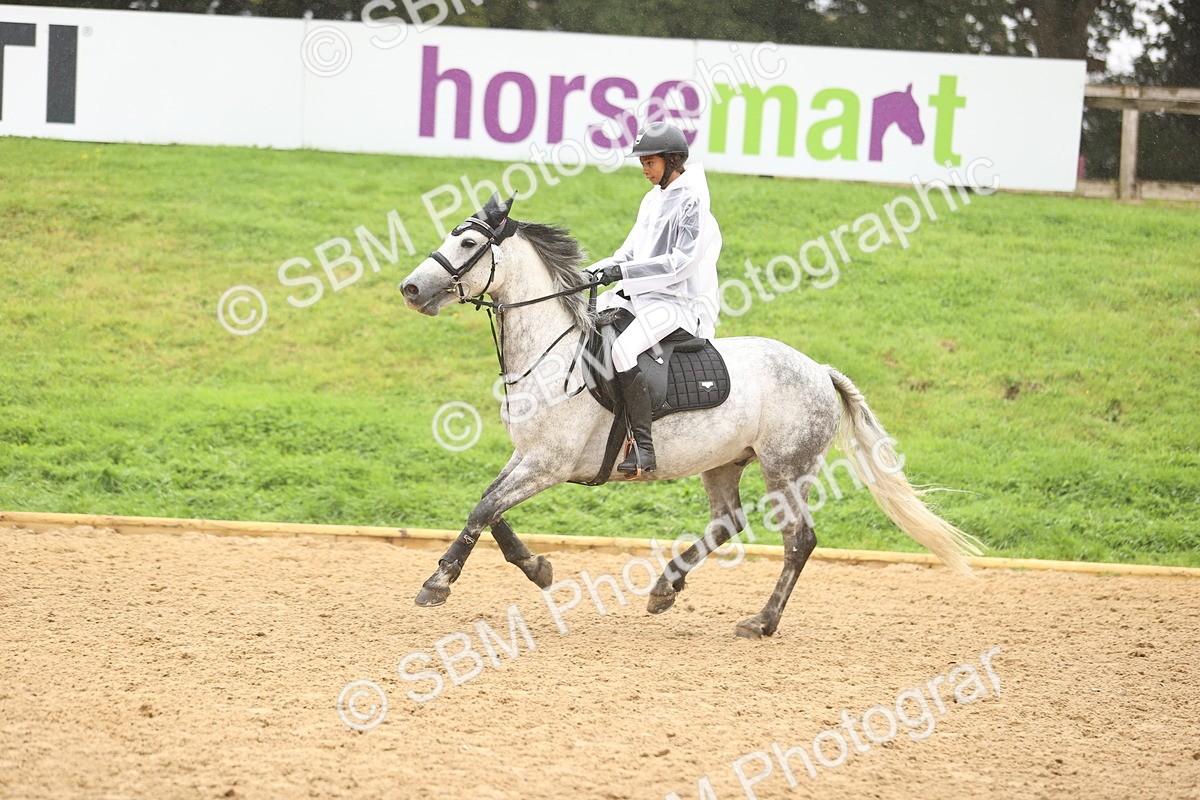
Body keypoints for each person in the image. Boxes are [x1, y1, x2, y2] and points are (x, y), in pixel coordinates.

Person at [587, 121, 723, 477]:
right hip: (642, 296)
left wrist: (625, 274)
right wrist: (590, 272)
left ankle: (645, 449)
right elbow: (627, 254)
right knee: (586, 322)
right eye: (643, 163)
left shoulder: (692, 202)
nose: (644, 169)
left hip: (677, 304)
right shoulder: (652, 199)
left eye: (650, 163)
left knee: (622, 351)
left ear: (672, 160)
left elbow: (681, 264)